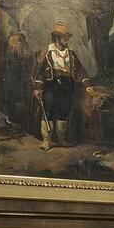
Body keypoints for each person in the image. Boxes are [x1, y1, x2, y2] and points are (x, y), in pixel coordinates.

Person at [32, 22, 84, 150]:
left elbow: (80, 70)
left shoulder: (71, 54)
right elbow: (40, 72)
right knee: (48, 112)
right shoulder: (48, 53)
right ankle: (47, 141)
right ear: (57, 38)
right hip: (51, 86)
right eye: (64, 37)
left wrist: (86, 84)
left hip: (67, 87)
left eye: (67, 37)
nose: (67, 39)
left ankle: (61, 139)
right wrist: (38, 88)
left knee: (64, 111)